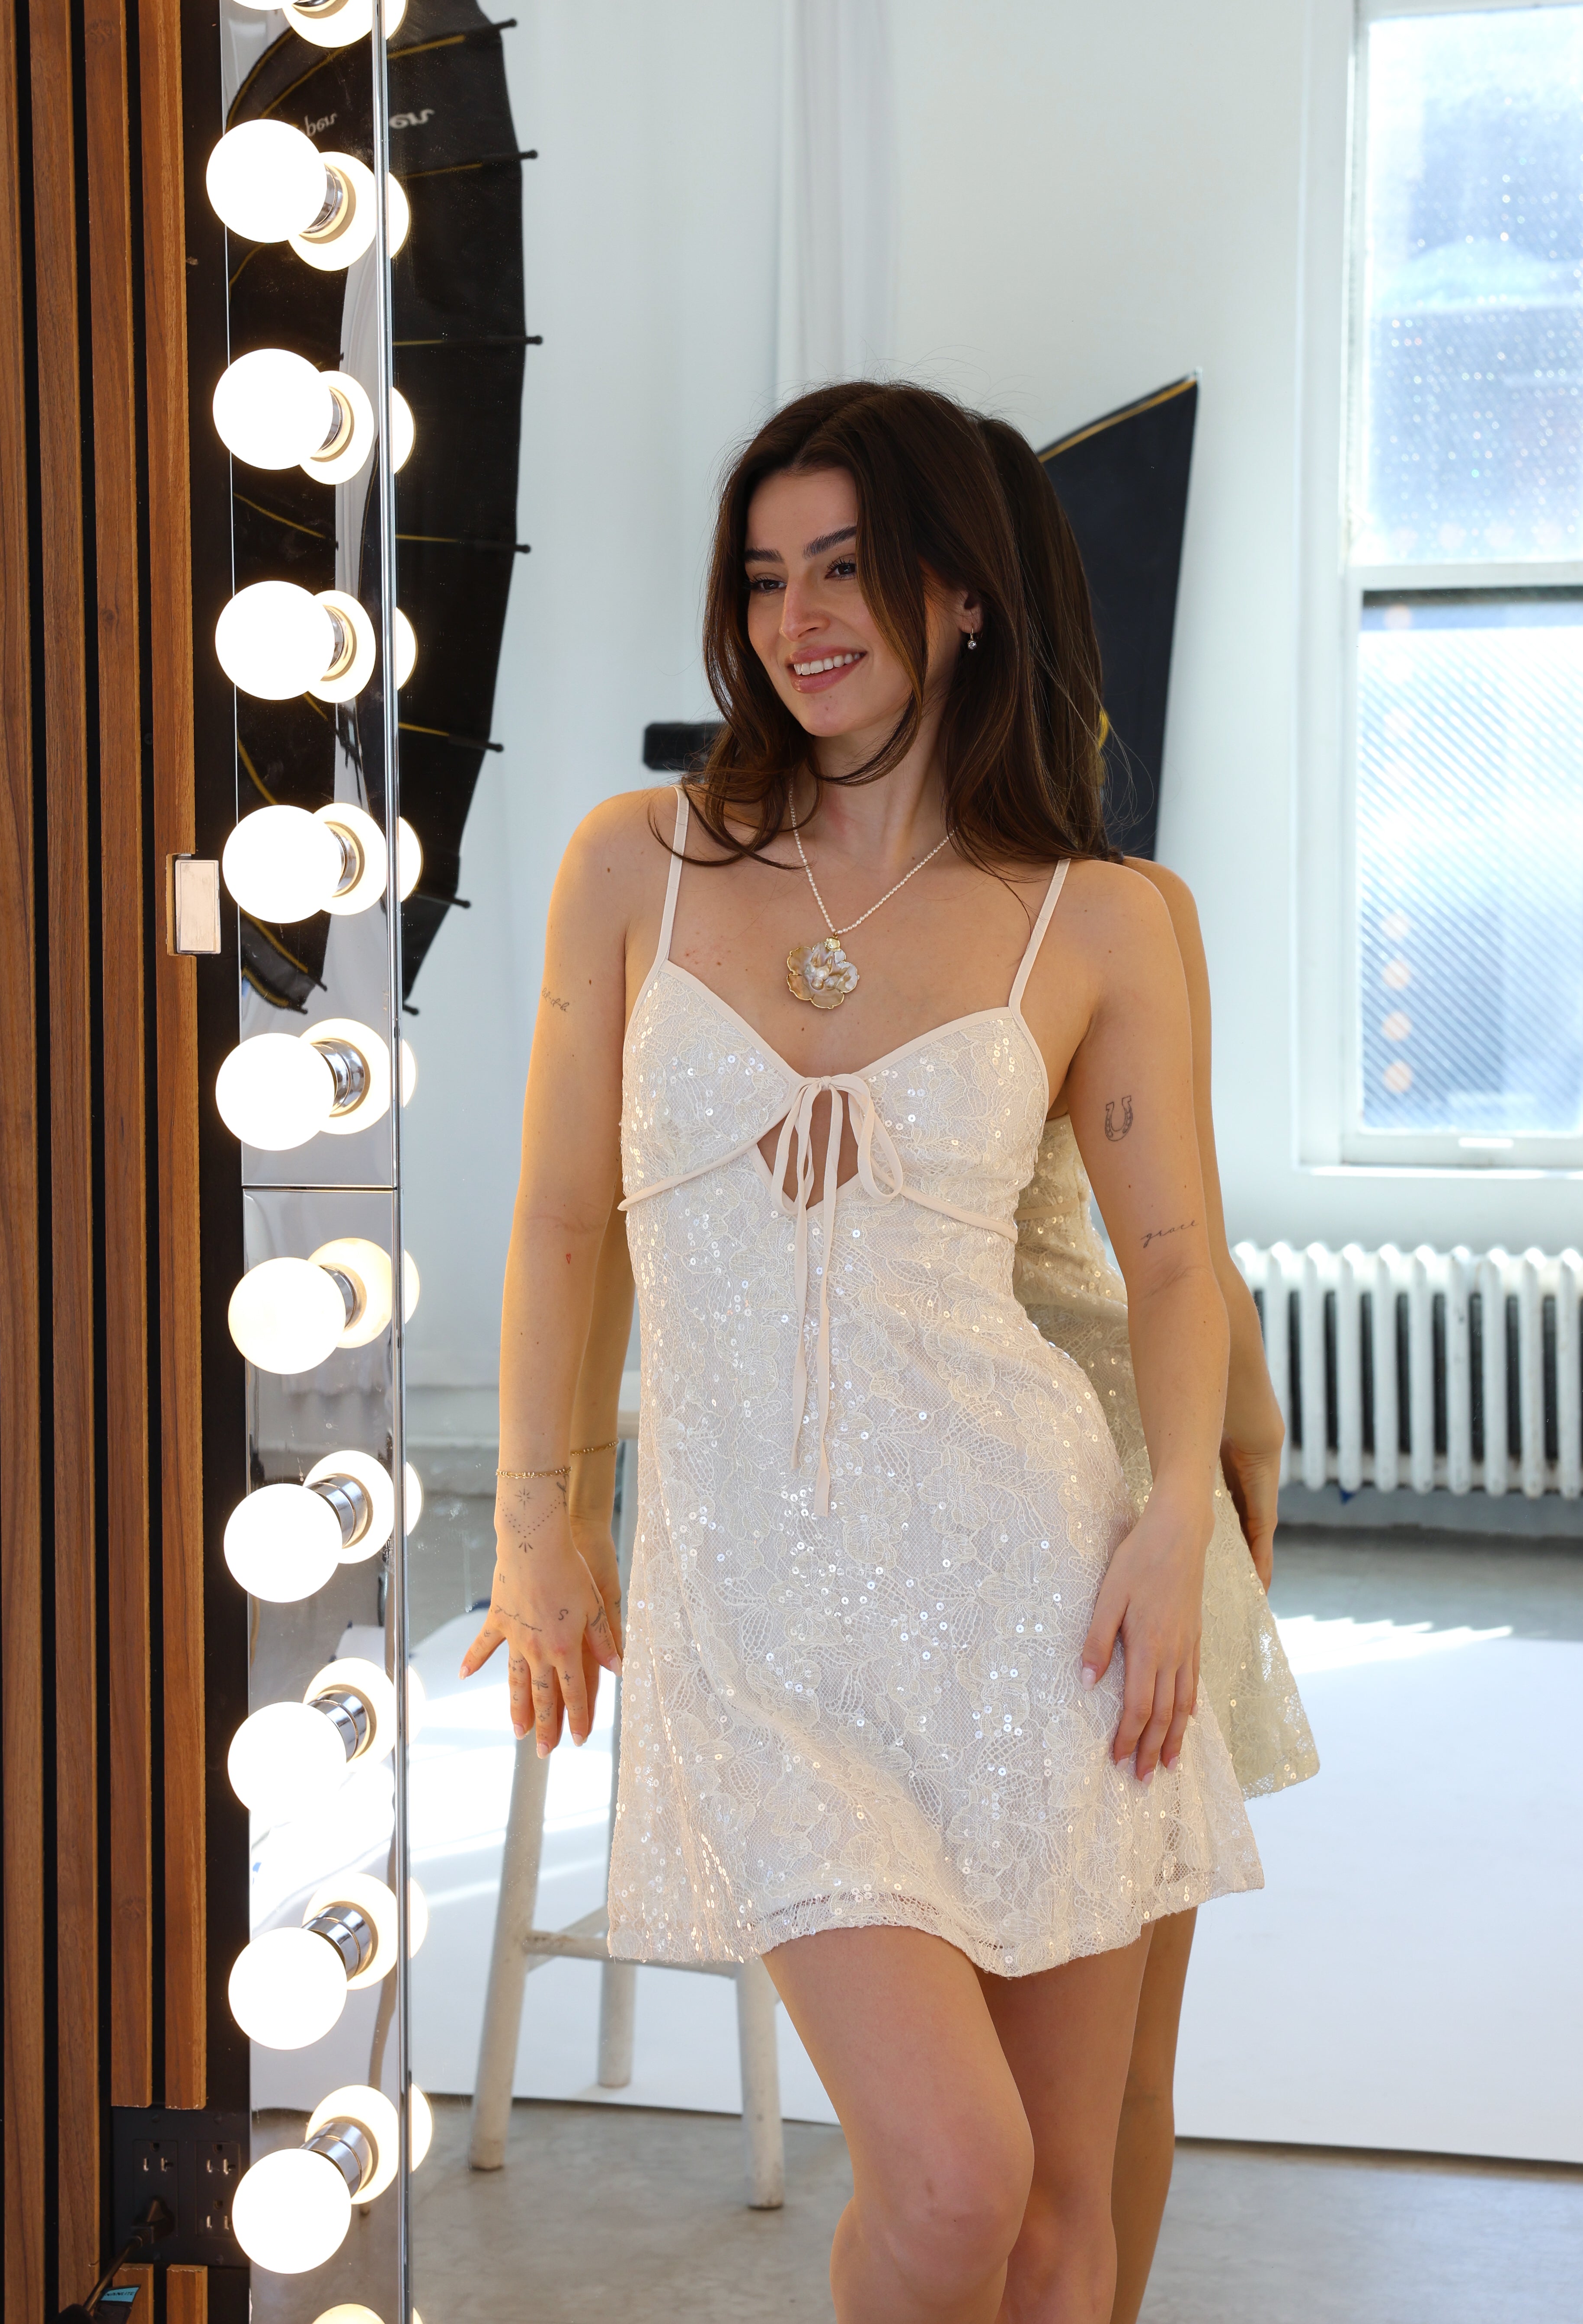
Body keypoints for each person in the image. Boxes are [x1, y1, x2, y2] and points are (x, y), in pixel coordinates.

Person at [463, 381, 1261, 2324]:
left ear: (961, 595)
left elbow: (1174, 1260)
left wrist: (1175, 1521)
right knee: (949, 2185)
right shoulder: (634, 864)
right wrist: (539, 1523)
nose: (796, 615)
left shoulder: (1101, 915)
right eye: (762, 576)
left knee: (1060, 2220)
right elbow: (564, 1223)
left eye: (847, 565)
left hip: (1036, 1590)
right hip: (757, 1610)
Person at [980, 416, 1318, 2323]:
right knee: (997, 2093)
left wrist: (1230, 1468)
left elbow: (1171, 1242)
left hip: (1118, 1478)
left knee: (1109, 2067)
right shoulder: (821, 904)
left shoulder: (1118, 905)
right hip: (962, 1484)